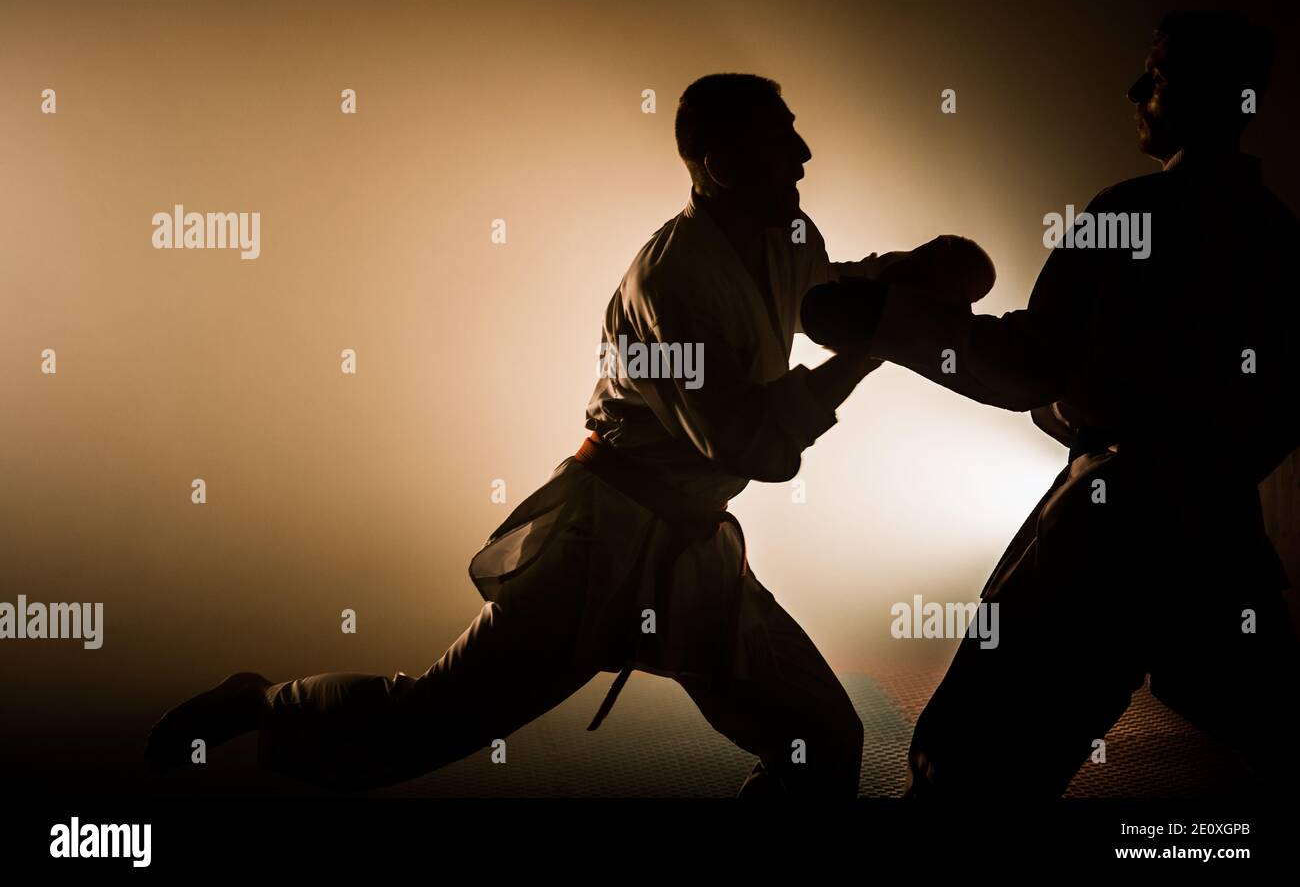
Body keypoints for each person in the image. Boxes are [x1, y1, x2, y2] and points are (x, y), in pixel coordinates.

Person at [145, 74, 988, 796]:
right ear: (721, 162)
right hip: (601, 541)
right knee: (418, 726)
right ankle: (259, 702)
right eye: (783, 142)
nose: (804, 158)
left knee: (822, 741)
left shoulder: (787, 234)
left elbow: (826, 302)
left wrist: (903, 273)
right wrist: (886, 341)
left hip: (691, 545)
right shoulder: (672, 279)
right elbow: (751, 449)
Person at [801, 11, 1300, 797]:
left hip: (1107, 529)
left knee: (962, 765)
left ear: (1209, 94)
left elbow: (1031, 366)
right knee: (1266, 721)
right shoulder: (1281, 239)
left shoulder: (1128, 211)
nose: (1137, 89)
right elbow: (1279, 406)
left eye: (1159, 75)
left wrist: (882, 319)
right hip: (1215, 529)